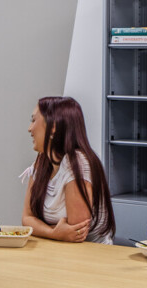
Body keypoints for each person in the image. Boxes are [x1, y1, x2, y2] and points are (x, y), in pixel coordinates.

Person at [20, 96, 115, 245]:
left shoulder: (77, 164)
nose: (29, 129)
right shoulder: (42, 161)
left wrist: (43, 229)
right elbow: (27, 219)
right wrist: (54, 232)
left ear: (53, 127)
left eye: (34, 120)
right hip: (58, 249)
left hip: (90, 257)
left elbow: (76, 233)